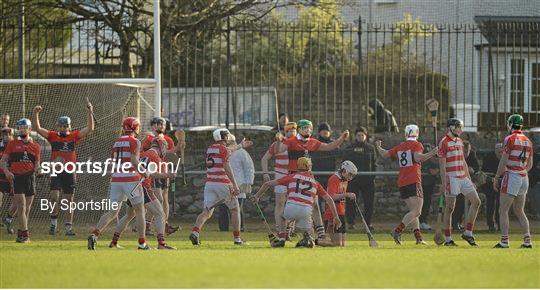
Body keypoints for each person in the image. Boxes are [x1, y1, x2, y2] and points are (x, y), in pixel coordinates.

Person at [273, 119, 349, 244]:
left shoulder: (312, 142)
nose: (307, 130)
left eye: (309, 128)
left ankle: (320, 235)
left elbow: (330, 146)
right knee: (292, 205)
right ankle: (283, 235)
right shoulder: (291, 141)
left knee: (314, 204)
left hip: (308, 176)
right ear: (299, 129)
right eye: (305, 128)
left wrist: (341, 138)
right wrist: (278, 140)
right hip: (294, 177)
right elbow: (278, 150)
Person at [32, 101, 95, 236]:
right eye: (61, 126)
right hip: (56, 171)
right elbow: (37, 128)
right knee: (54, 197)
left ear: (69, 127)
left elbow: (90, 128)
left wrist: (90, 111)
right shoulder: (52, 136)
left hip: (69, 171)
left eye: (65, 126)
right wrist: (35, 113)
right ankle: (53, 224)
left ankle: (68, 228)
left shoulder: (74, 136)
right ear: (57, 126)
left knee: (69, 200)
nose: (63, 128)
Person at [87, 117, 150, 250]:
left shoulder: (116, 142)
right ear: (135, 128)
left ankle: (94, 234)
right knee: (140, 211)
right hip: (131, 180)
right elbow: (134, 161)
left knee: (112, 212)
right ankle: (142, 243)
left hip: (116, 180)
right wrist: (144, 172)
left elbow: (113, 161)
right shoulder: (135, 141)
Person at [253, 157, 342, 248]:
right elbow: (330, 200)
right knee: (310, 234)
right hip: (306, 211)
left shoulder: (291, 177)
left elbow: (267, 184)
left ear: (297, 167)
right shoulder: (316, 183)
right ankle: (309, 239)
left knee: (281, 216)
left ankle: (282, 239)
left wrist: (257, 196)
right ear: (309, 167)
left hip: (291, 208)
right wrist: (336, 217)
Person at [109, 137, 176, 250]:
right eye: (165, 147)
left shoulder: (144, 153)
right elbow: (151, 174)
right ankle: (161, 243)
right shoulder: (155, 157)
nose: (165, 150)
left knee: (129, 215)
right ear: (162, 146)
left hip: (131, 185)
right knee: (160, 213)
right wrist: (168, 175)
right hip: (143, 186)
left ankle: (114, 241)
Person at [375, 124, 438, 245]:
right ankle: (397, 230)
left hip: (402, 182)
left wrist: (378, 147)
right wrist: (433, 152)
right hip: (413, 180)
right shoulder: (417, 145)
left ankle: (418, 237)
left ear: (405, 134)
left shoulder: (401, 146)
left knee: (413, 211)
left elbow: (384, 154)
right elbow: (418, 158)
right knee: (417, 211)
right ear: (417, 134)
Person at [189, 128, 251, 246]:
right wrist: (234, 185)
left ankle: (195, 232)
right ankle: (237, 239)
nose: (228, 137)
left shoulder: (211, 148)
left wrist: (240, 145)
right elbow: (227, 166)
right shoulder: (223, 149)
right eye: (227, 135)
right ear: (224, 136)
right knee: (235, 209)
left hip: (210, 183)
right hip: (222, 183)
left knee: (206, 212)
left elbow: (228, 149)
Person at [438, 118, 481, 246]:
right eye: (459, 127)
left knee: (476, 202)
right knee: (450, 208)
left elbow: (463, 162)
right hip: (451, 178)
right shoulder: (444, 142)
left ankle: (468, 233)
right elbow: (442, 165)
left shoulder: (460, 141)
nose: (461, 130)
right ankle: (448, 239)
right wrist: (444, 182)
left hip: (463, 178)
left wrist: (469, 179)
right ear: (451, 127)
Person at [493, 114, 534, 248]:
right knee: (519, 210)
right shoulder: (528, 141)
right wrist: (521, 171)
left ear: (510, 124)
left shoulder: (509, 139)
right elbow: (530, 165)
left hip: (512, 176)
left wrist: (497, 176)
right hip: (524, 177)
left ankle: (504, 241)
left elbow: (503, 160)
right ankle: (527, 240)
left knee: (503, 210)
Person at [0, 118, 41, 243]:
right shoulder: (12, 144)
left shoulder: (36, 146)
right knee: (21, 207)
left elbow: (37, 163)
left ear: (29, 129)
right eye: (20, 127)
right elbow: (3, 161)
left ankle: (20, 234)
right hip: (17, 178)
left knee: (27, 209)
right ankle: (25, 235)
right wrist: (7, 172)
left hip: (30, 178)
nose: (22, 129)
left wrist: (38, 169)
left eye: (24, 127)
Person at [142, 117, 179, 236]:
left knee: (164, 199)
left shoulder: (168, 139)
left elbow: (170, 154)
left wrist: (178, 148)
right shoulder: (148, 138)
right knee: (158, 199)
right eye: (158, 124)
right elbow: (143, 153)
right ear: (152, 125)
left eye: (163, 124)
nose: (161, 126)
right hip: (153, 172)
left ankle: (164, 224)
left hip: (164, 171)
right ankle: (147, 225)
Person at [261, 122, 297, 238]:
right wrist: (265, 173)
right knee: (280, 204)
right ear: (285, 132)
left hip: (294, 176)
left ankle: (289, 229)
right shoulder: (278, 144)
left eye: (294, 130)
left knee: (294, 203)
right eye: (289, 131)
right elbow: (265, 159)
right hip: (281, 176)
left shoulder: (299, 144)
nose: (292, 132)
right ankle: (280, 229)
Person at [342, 127, 376, 231]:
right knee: (351, 202)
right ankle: (351, 223)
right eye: (358, 135)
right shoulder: (350, 148)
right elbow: (345, 163)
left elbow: (374, 163)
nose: (360, 137)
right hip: (353, 180)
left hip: (368, 181)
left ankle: (368, 223)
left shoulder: (370, 148)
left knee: (369, 203)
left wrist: (372, 176)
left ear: (366, 136)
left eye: (362, 135)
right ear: (355, 136)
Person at [322, 161, 358, 246]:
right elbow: (331, 196)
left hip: (341, 213)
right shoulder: (334, 179)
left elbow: (341, 196)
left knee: (343, 245)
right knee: (336, 244)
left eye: (352, 175)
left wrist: (348, 195)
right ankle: (315, 241)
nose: (351, 177)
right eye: (350, 174)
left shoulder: (345, 180)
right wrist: (347, 194)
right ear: (344, 171)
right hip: (332, 214)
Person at [480, 143, 503, 231]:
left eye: (502, 152)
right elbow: (484, 172)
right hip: (489, 183)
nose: (501, 154)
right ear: (495, 151)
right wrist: (494, 178)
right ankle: (490, 224)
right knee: (490, 204)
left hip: (501, 182)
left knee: (500, 205)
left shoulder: (506, 158)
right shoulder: (488, 157)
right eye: (499, 152)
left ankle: (500, 224)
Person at [1, 113, 15, 233]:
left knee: (16, 200)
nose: (6, 136)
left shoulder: (14, 144)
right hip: (1, 174)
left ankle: (8, 220)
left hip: (12, 175)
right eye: (3, 119)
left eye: (7, 119)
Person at [419, 144, 439, 230]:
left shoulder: (435, 162)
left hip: (429, 184)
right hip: (421, 184)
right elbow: (432, 171)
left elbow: (436, 169)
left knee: (427, 203)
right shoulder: (424, 161)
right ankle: (419, 222)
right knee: (420, 204)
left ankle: (423, 221)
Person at [312, 122, 336, 189]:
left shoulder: (335, 144)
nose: (325, 132)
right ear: (319, 132)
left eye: (327, 130)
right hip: (317, 175)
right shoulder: (314, 144)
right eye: (323, 130)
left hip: (331, 175)